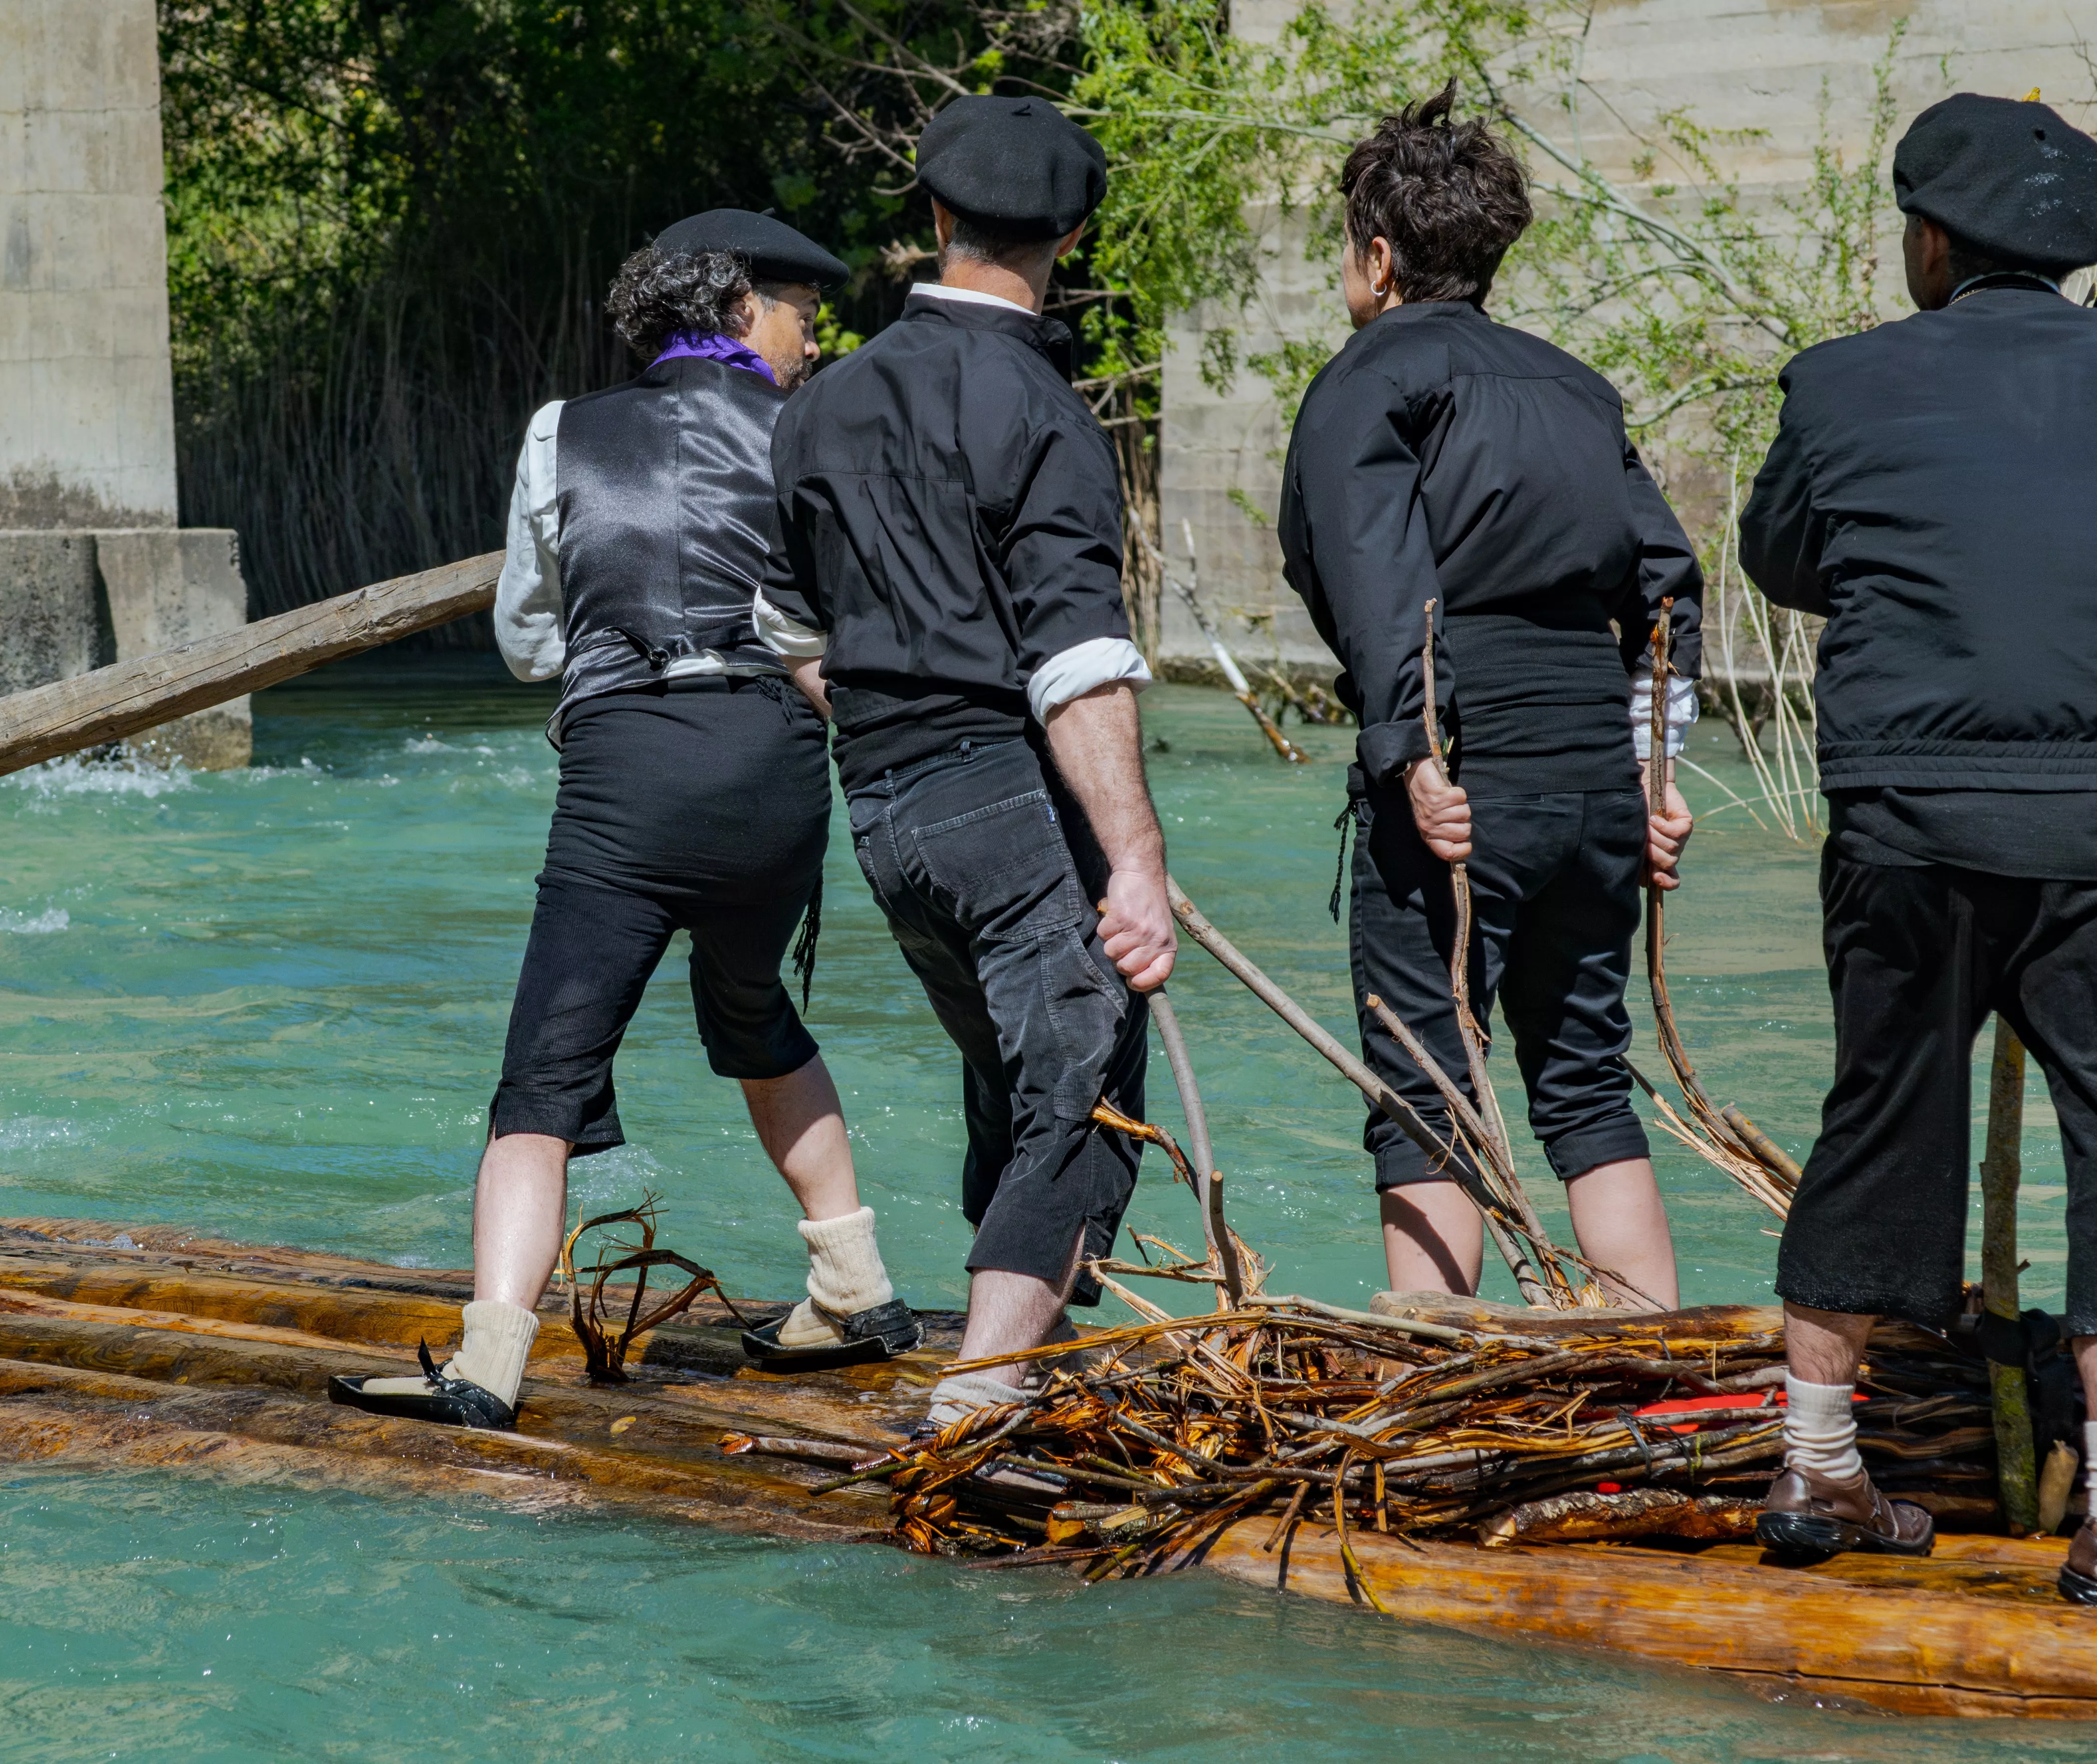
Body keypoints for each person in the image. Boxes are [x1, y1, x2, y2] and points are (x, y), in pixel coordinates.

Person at [332, 210, 918, 1431]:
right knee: (752, 1009)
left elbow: (523, 640)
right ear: (738, 313)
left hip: (630, 775)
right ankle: (855, 1286)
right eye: (800, 317)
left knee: (539, 1078)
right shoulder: (813, 429)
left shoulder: (564, 431)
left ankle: (491, 1358)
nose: (811, 344)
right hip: (772, 770)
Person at [757, 97, 1173, 1429]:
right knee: (1080, 1069)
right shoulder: (1043, 412)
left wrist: (882, 735)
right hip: (995, 782)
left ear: (934, 220)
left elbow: (785, 626)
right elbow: (1073, 662)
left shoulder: (820, 403)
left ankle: (1021, 1335)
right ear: (1067, 235)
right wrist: (1136, 859)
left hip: (877, 804)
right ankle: (982, 1392)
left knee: (1013, 1062)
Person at [1742, 92, 2097, 1592]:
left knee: (1877, 1123)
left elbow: (1783, 553)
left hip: (1902, 816)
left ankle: (1817, 1464)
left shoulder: (1835, 385)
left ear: (1929, 243)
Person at [1276, 85, 1699, 1312]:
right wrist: (1648, 774)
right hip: (1590, 774)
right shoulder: (1576, 387)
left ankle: (1435, 1374)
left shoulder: (1368, 378)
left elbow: (1376, 577)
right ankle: (1657, 1373)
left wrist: (1411, 751)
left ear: (1376, 255)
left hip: (1464, 762)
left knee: (1425, 1081)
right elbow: (1664, 584)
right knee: (1583, 1079)